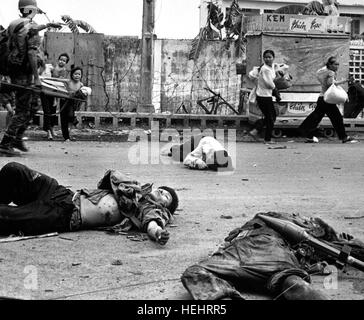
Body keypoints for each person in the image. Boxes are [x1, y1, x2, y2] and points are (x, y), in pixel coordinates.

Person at [181, 211, 364, 300]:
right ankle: (223, 294)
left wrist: (347, 243)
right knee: (293, 283)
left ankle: (220, 294)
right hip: (255, 252)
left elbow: (347, 251)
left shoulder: (304, 233)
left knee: (294, 284)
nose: (306, 220)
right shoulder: (294, 224)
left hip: (254, 251)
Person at [0, 162, 179, 245]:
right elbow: (108, 178)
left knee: (6, 215)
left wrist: (157, 233)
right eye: (162, 190)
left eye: (166, 197)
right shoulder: (134, 188)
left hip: (65, 215)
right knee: (14, 171)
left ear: (164, 208)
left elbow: (152, 223)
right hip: (62, 193)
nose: (162, 193)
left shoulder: (148, 208)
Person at [0, 0, 61, 156]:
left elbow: (21, 33)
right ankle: (6, 143)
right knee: (23, 110)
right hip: (25, 74)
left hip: (14, 71)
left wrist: (47, 26)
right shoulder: (31, 27)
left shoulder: (15, 24)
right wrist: (37, 78)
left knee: (33, 105)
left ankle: (17, 138)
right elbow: (32, 53)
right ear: (31, 10)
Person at [298, 57, 358, 143]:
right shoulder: (331, 72)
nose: (337, 66)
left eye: (338, 64)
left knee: (316, 117)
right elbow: (330, 83)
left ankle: (306, 133)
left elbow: (322, 80)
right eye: (335, 64)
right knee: (336, 118)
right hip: (327, 100)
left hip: (323, 98)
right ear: (330, 65)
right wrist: (345, 80)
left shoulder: (323, 71)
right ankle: (343, 137)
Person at [248, 50, 279, 145]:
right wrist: (276, 90)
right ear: (263, 58)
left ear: (273, 58)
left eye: (269, 57)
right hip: (263, 96)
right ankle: (267, 139)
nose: (267, 59)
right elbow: (269, 83)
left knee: (272, 116)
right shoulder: (265, 69)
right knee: (270, 117)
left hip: (266, 95)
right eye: (266, 57)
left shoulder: (271, 67)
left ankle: (256, 130)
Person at [40, 53, 70, 140]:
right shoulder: (52, 68)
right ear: (58, 60)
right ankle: (48, 132)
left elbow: (60, 85)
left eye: (64, 61)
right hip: (45, 91)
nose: (62, 61)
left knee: (52, 112)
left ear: (66, 62)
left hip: (54, 93)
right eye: (60, 59)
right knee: (47, 112)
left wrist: (56, 99)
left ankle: (52, 129)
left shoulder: (64, 71)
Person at [168, 135, 233, 171]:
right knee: (175, 152)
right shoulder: (207, 148)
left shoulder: (224, 156)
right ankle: (175, 146)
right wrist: (197, 162)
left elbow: (229, 165)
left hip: (202, 153)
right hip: (199, 141)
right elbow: (186, 160)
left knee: (180, 156)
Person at [59, 66, 85, 142]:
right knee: (64, 120)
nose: (77, 76)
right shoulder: (68, 82)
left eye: (79, 74)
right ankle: (66, 137)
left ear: (81, 75)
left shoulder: (81, 85)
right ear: (72, 75)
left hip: (73, 103)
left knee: (70, 116)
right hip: (64, 101)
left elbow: (82, 96)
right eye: (75, 74)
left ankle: (73, 126)